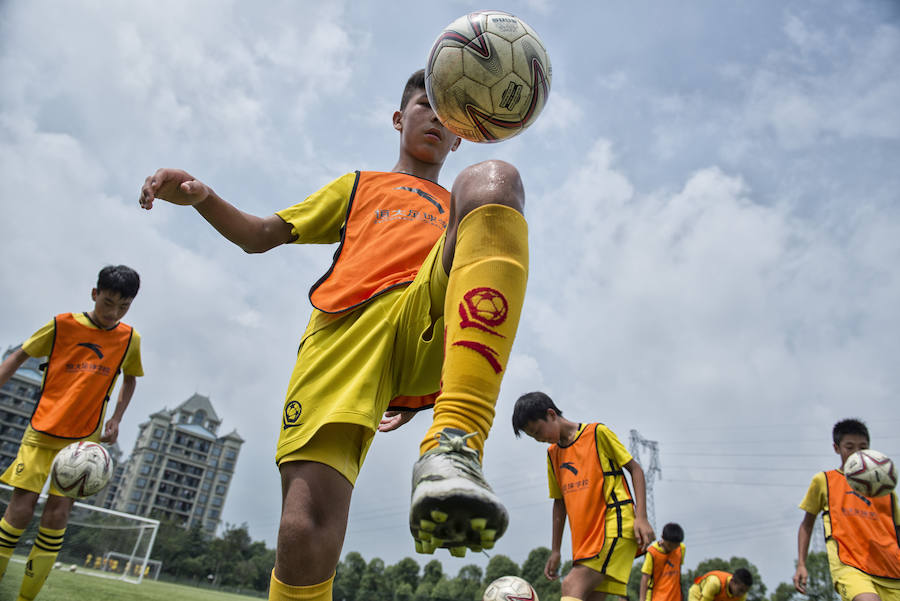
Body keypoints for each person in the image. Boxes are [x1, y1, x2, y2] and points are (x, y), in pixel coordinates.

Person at [138, 69, 529, 601]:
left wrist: (422, 389)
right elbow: (259, 236)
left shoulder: (456, 206)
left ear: (460, 134)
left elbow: (470, 297)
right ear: (398, 117)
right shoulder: (359, 186)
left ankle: (455, 443)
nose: (435, 118)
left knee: (495, 179)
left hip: (424, 317)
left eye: (448, 114)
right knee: (305, 528)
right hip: (344, 333)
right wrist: (202, 196)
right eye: (424, 106)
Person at [0, 265, 143, 601]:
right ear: (95, 294)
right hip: (42, 430)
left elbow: (131, 378)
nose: (114, 313)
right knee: (21, 506)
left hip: (82, 443)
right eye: (108, 303)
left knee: (58, 513)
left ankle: (25, 597)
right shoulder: (61, 324)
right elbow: (19, 355)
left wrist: (118, 419)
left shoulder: (129, 338)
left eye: (123, 307)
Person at [512, 391, 655, 601]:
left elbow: (635, 469)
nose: (538, 439)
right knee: (588, 597)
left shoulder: (597, 433)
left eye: (537, 431)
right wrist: (555, 550)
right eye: (533, 437)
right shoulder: (553, 454)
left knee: (572, 584)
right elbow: (559, 503)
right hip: (587, 541)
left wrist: (641, 517)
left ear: (551, 414)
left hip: (614, 525)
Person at [792, 418, 900, 601]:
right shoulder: (824, 480)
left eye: (863, 448)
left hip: (892, 570)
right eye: (849, 448)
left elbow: (897, 531)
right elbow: (807, 525)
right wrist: (801, 564)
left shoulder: (885, 489)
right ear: (836, 448)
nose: (857, 453)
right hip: (851, 567)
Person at [640, 522, 686, 601]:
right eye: (669, 545)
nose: (672, 548)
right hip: (656, 598)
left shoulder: (681, 549)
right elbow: (645, 578)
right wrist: (642, 599)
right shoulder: (652, 553)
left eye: (676, 545)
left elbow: (678, 571)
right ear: (662, 538)